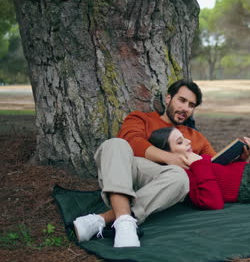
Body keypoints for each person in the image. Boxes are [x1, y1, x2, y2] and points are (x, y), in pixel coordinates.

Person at [72, 80, 237, 248]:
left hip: (165, 188)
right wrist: (169, 158)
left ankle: (107, 220)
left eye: (191, 105)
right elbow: (131, 140)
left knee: (180, 177)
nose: (186, 108)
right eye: (182, 100)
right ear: (168, 98)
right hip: (127, 173)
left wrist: (239, 155)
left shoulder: (195, 137)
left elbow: (216, 165)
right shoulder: (141, 118)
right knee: (115, 144)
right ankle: (124, 221)